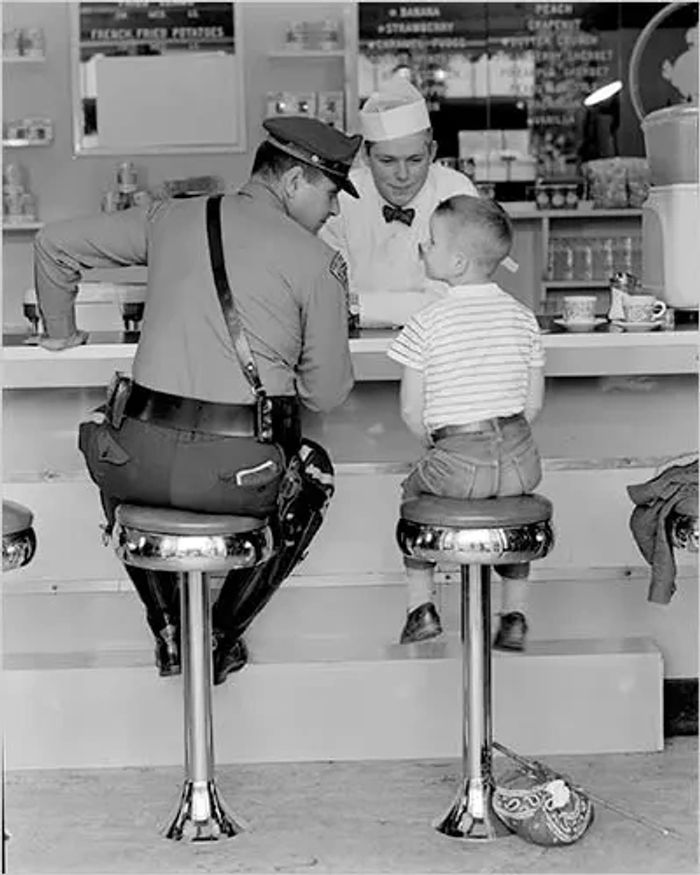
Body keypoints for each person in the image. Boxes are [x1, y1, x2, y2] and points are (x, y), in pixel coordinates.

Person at [33, 116, 363, 684]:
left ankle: (165, 627)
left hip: (139, 463)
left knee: (104, 435)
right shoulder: (318, 262)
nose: (333, 210)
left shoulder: (169, 217)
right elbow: (325, 393)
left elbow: (53, 244)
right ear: (294, 182)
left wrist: (60, 333)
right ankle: (219, 633)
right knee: (315, 474)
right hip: (240, 476)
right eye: (331, 193)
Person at [386, 195, 545, 650]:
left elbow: (410, 412)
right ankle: (514, 614)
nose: (423, 247)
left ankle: (422, 609)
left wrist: (437, 448)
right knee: (515, 509)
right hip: (521, 460)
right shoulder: (523, 318)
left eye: (430, 241)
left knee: (412, 493)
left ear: (456, 262)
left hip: (457, 462)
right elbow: (532, 404)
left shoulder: (425, 323)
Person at [320, 75, 479, 306]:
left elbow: (457, 296)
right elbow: (334, 294)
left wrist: (363, 306)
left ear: (432, 152)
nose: (402, 175)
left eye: (415, 160)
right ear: (365, 156)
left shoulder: (457, 193)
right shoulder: (342, 199)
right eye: (387, 161)